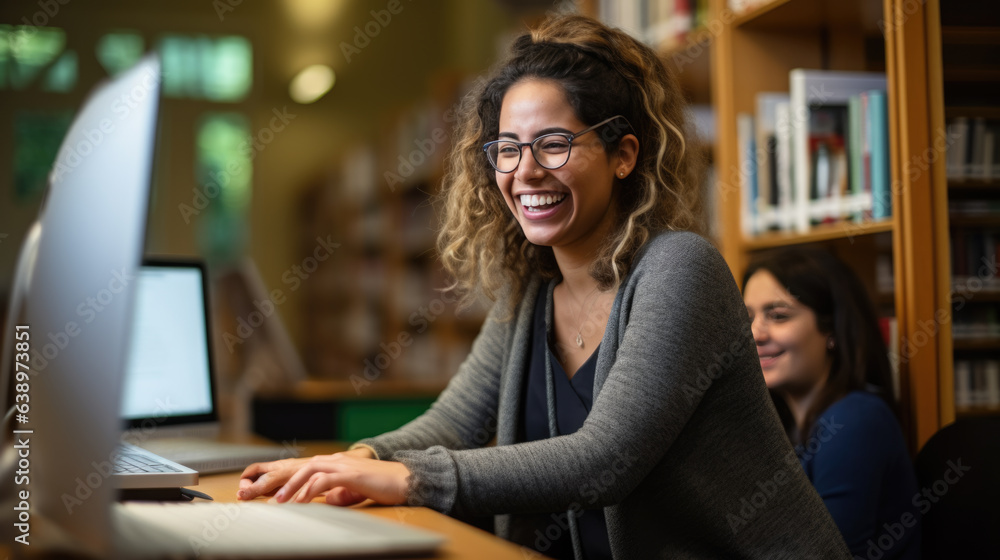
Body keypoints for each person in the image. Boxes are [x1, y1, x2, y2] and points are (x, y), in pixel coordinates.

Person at [238, 14, 851, 559]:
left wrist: (408, 479)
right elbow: (452, 422)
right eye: (506, 149)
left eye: (553, 144)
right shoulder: (532, 291)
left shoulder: (680, 270)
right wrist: (355, 461)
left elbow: (603, 461)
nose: (524, 171)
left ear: (624, 155)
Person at [742, 247, 921, 560]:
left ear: (833, 330)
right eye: (747, 318)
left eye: (778, 316)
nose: (755, 333)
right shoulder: (782, 426)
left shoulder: (856, 420)